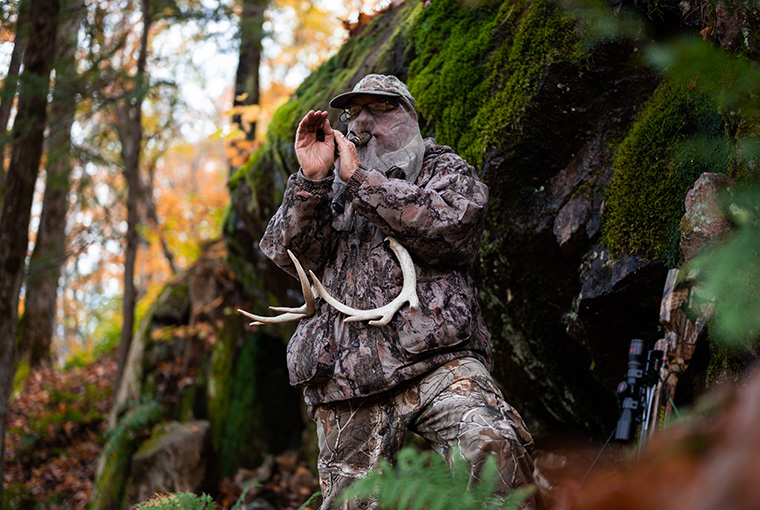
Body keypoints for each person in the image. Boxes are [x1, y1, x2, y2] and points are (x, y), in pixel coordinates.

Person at [259, 74, 541, 509]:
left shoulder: (442, 168)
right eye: (354, 113)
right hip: (344, 379)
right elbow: (286, 253)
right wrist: (312, 179)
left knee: (494, 444)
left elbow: (453, 229)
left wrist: (362, 183)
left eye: (381, 109)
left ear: (410, 116)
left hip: (436, 360)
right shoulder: (324, 186)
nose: (363, 123)